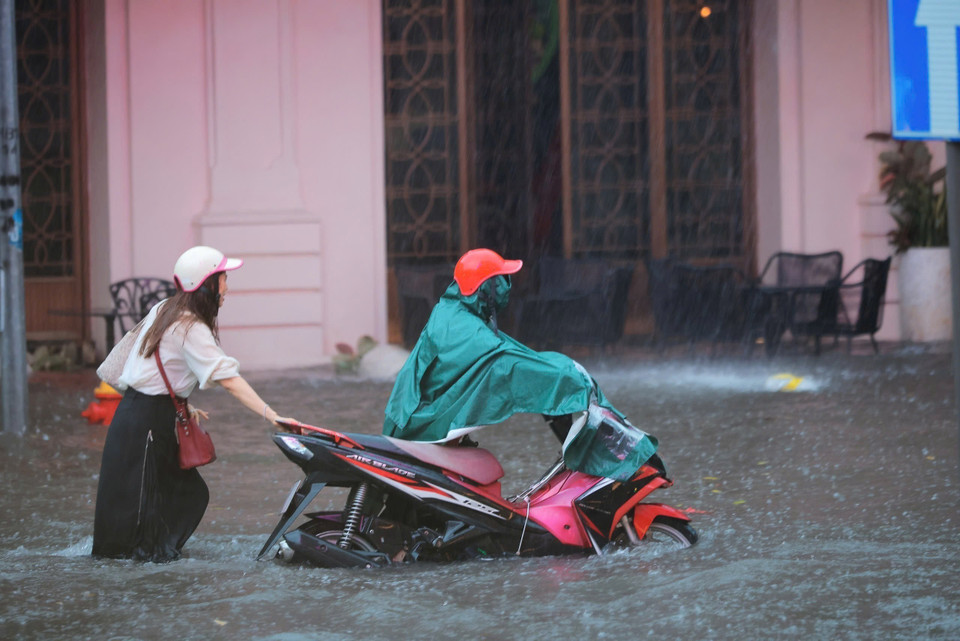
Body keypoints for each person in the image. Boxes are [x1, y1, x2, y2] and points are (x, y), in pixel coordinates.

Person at [92, 245, 295, 562]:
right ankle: (149, 572)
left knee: (174, 500)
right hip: (144, 427)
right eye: (223, 279)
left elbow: (139, 366)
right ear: (206, 284)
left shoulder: (165, 309)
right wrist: (272, 415)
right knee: (140, 522)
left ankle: (156, 562)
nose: (227, 287)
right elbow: (229, 380)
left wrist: (180, 404)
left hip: (138, 419)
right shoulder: (189, 326)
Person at [383, 248, 658, 481]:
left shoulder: (455, 311)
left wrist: (553, 368)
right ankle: (609, 463)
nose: (507, 286)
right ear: (486, 288)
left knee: (554, 383)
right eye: (501, 280)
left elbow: (505, 351)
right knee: (555, 382)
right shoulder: (462, 328)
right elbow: (504, 360)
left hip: (413, 416)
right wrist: (558, 375)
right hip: (418, 422)